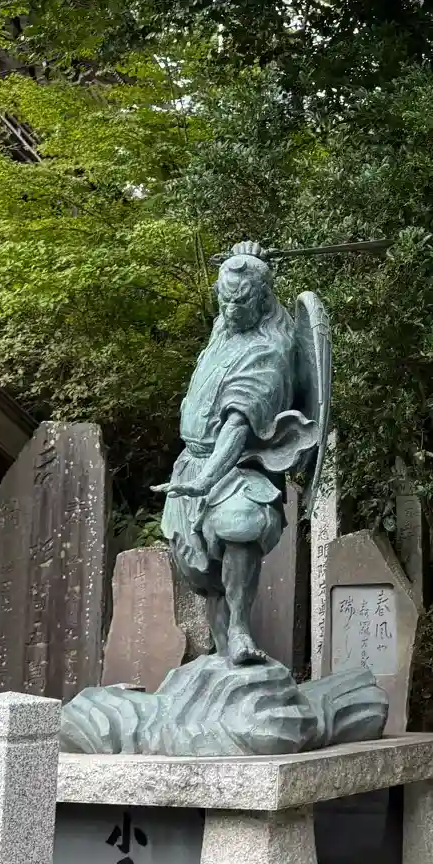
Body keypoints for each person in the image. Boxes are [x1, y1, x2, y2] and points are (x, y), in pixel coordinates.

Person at [159, 241, 316, 664]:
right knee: (201, 571)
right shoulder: (226, 329)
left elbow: (237, 424)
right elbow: (238, 284)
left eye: (241, 302)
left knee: (241, 523)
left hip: (238, 464)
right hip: (191, 461)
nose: (230, 310)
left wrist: (204, 481)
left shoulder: (269, 349)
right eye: (224, 300)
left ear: (263, 302)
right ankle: (225, 651)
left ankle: (241, 630)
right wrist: (244, 255)